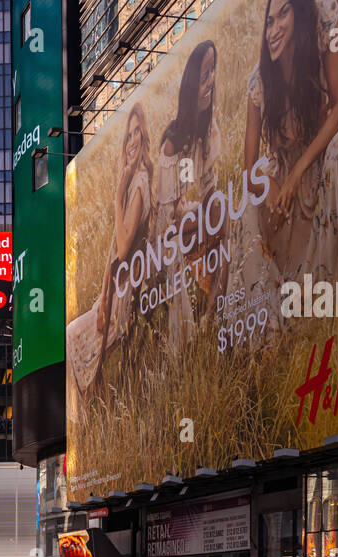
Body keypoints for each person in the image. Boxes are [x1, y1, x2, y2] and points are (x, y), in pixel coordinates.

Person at [239, 0, 338, 329]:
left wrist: (296, 175)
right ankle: (268, 324)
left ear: (302, 14)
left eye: (283, 15)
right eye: (269, 22)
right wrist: (273, 187)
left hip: (333, 130)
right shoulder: (260, 80)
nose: (273, 30)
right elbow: (248, 169)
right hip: (290, 161)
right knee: (246, 204)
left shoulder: (328, 29)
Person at [66, 100, 154, 403]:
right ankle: (92, 410)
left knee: (72, 337)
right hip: (115, 292)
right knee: (76, 340)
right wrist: (102, 296)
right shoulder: (133, 180)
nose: (131, 142)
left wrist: (117, 199)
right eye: (128, 135)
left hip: (125, 296)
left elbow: (123, 245)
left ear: (145, 138)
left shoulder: (139, 184)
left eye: (137, 134)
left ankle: (88, 416)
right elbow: (112, 256)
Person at [156, 39, 222, 341]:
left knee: (223, 212)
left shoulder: (208, 130)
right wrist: (198, 220)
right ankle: (185, 338)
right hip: (165, 231)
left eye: (213, 73)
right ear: (190, 83)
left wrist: (208, 218)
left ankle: (213, 315)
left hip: (188, 220)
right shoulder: (172, 143)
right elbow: (165, 219)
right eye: (203, 75)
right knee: (174, 249)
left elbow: (210, 188)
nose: (209, 82)